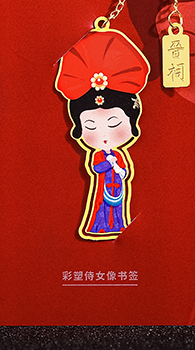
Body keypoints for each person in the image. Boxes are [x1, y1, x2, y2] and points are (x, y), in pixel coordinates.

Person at [55, 27, 149, 240]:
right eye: (90, 126)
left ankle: (117, 224)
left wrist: (119, 168)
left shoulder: (119, 155)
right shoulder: (99, 154)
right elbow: (96, 168)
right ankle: (100, 227)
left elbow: (125, 172)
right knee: (100, 208)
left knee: (118, 209)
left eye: (114, 122)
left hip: (118, 189)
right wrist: (109, 163)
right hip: (102, 189)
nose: (104, 133)